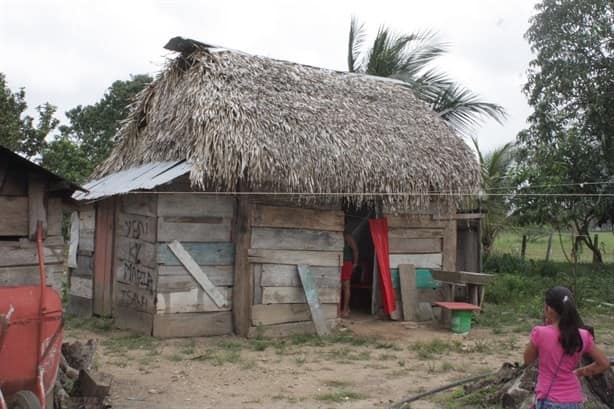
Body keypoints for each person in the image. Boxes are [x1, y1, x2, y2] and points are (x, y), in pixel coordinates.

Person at [524, 286, 610, 409]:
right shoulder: (583, 335)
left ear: (549, 310)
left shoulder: (540, 333)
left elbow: (528, 359)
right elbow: (604, 363)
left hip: (549, 399)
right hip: (574, 401)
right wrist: (579, 372)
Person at [341, 231, 358, 318]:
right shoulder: (337, 235)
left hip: (346, 264)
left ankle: (345, 310)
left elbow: (355, 250)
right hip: (337, 263)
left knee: (346, 286)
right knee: (339, 287)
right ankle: (346, 308)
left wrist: (355, 263)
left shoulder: (348, 237)